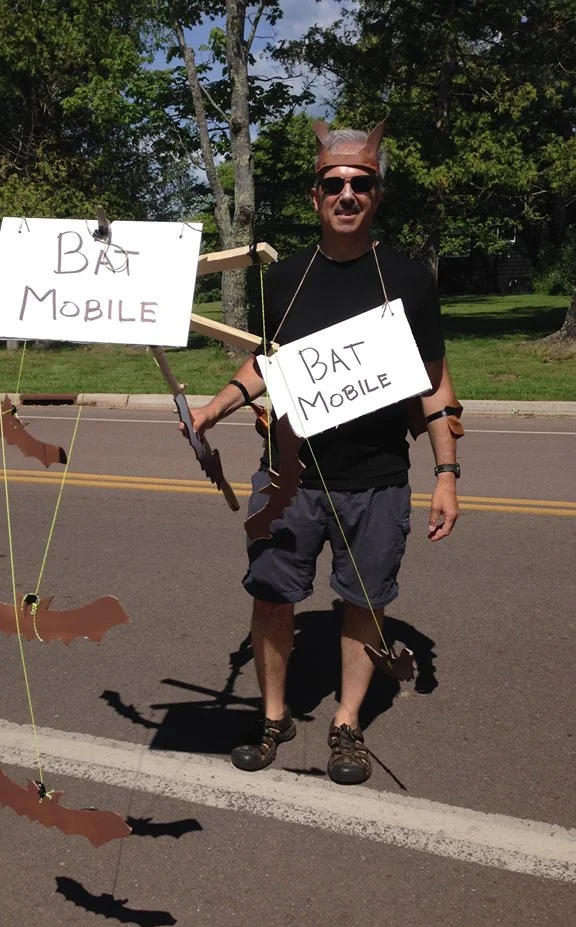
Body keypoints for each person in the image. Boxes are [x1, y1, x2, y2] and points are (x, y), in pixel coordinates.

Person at [188, 120, 461, 785]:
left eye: (360, 184)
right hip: (289, 478)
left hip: (377, 479)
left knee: (363, 604)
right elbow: (266, 366)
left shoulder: (407, 280)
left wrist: (447, 473)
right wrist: (214, 407)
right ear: (314, 196)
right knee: (272, 598)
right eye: (333, 184)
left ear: (376, 195)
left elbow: (434, 382)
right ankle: (274, 716)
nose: (346, 194)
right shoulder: (285, 281)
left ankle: (346, 725)